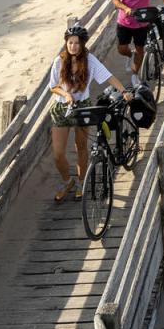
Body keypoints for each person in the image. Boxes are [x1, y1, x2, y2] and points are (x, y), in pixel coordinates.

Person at [49, 24, 133, 202]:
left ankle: (81, 183)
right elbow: (53, 87)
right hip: (61, 108)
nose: (73, 46)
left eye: (77, 43)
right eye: (70, 42)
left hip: (83, 107)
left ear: (83, 44)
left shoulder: (90, 60)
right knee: (57, 153)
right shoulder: (59, 61)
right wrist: (66, 94)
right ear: (66, 43)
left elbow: (108, 76)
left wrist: (124, 91)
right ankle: (67, 182)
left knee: (81, 147)